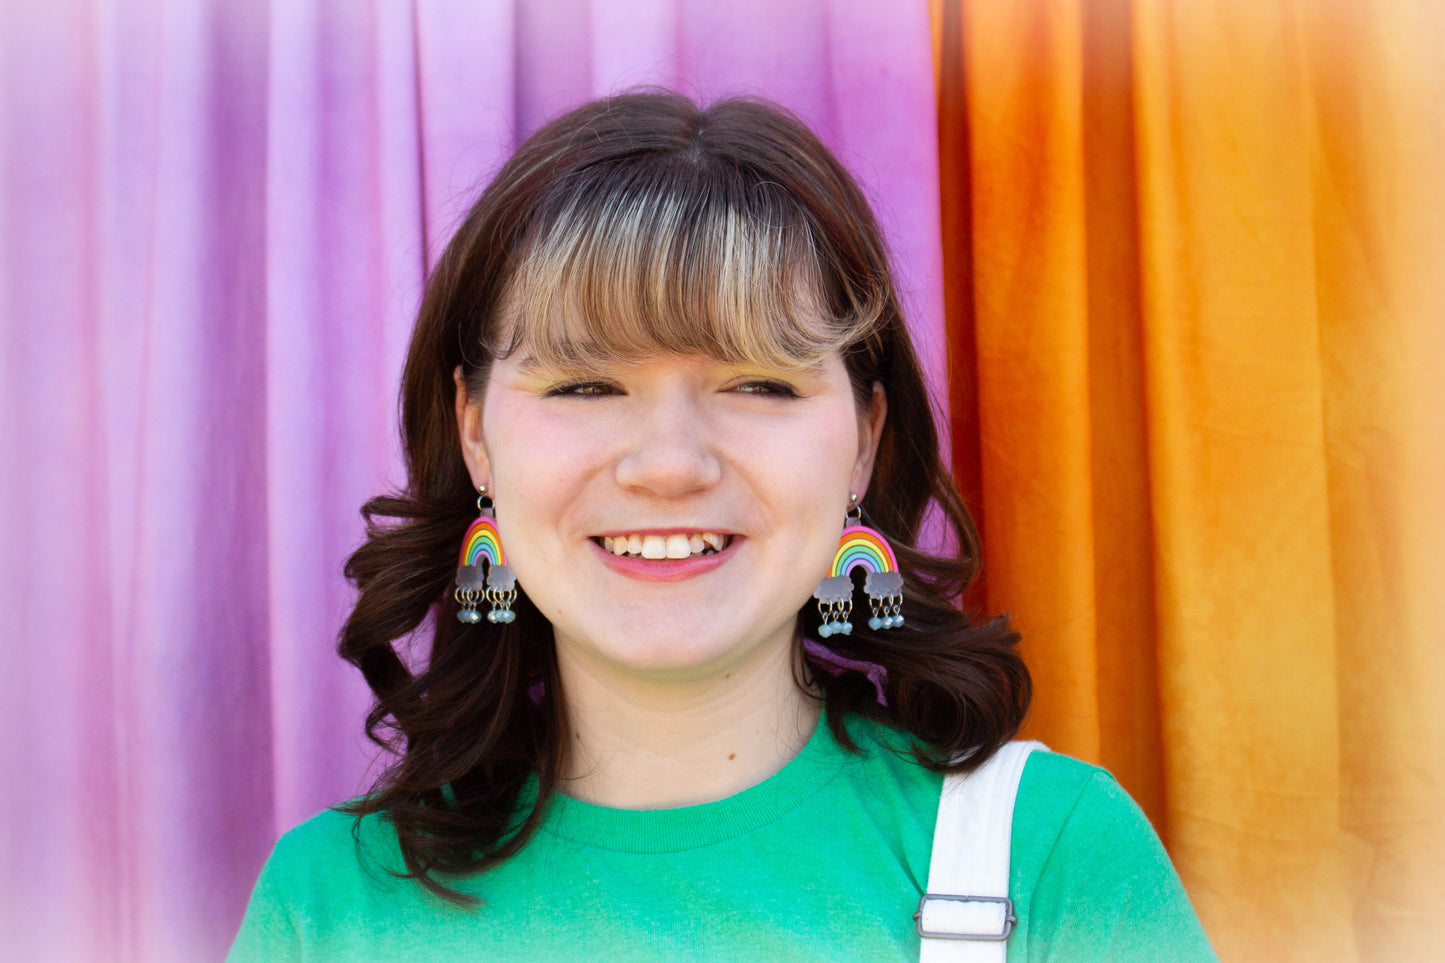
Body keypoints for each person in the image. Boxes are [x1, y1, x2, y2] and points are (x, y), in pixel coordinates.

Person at [228, 91, 1216, 962]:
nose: (669, 464)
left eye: (756, 384)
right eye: (584, 383)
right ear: (474, 432)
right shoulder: (330, 908)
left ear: (864, 441)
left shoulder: (1050, 859)